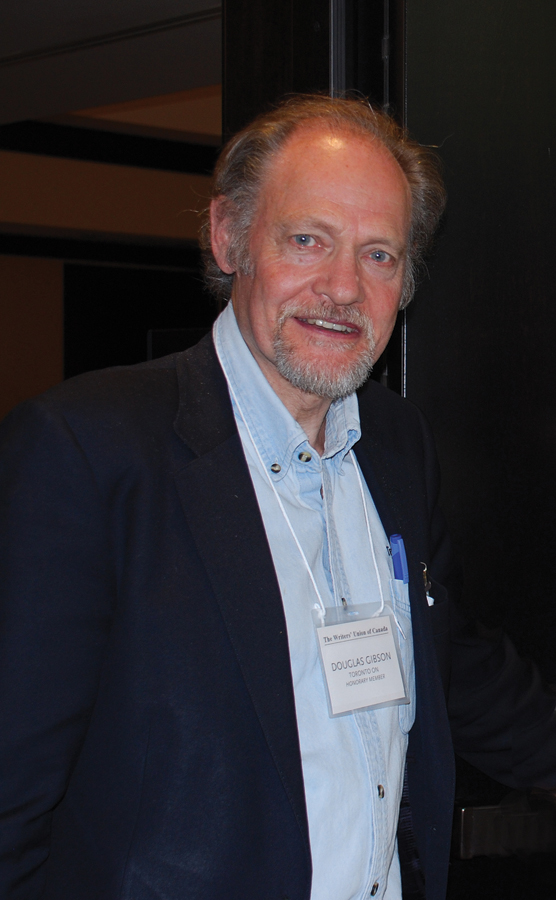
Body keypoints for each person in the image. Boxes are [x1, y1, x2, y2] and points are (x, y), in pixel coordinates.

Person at [0, 95, 554, 900]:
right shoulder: (88, 452)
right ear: (229, 237)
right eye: (307, 240)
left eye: (378, 255)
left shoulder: (397, 444)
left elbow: (450, 662)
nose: (343, 288)